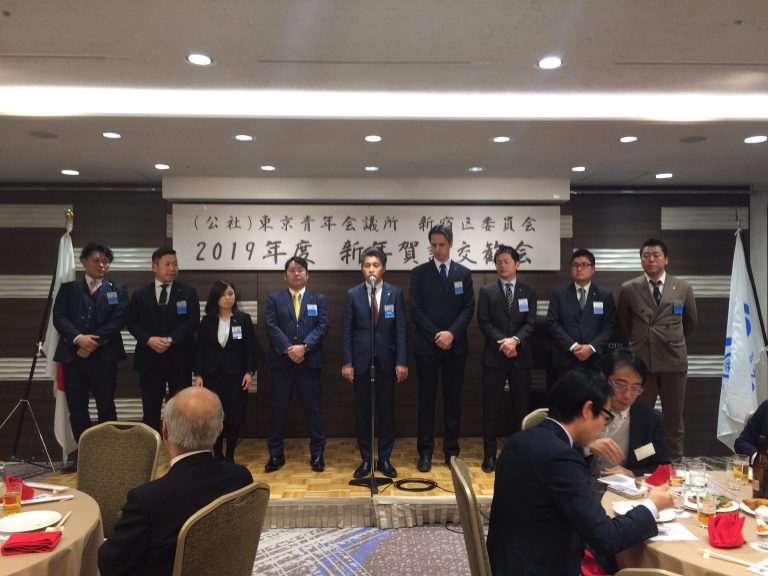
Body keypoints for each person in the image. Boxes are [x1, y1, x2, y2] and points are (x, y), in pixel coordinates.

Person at [486, 369, 673, 576]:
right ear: (587, 409)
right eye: (605, 417)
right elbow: (606, 537)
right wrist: (652, 505)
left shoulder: (518, 440)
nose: (604, 427)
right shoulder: (561, 458)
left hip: (507, 561)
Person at [98, 387, 253, 576]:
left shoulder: (147, 500)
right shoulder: (241, 478)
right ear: (220, 429)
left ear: (164, 430)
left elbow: (110, 564)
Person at [617, 238, 697, 461]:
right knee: (640, 417)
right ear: (641, 260)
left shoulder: (683, 287)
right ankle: (642, 464)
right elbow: (623, 324)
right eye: (646, 256)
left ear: (666, 259)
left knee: (674, 418)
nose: (651, 259)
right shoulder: (629, 288)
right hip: (642, 363)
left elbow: (690, 323)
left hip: (673, 361)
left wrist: (673, 340)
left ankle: (673, 463)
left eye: (656, 255)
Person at [52, 242, 128, 472]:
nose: (102, 265)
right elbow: (59, 317)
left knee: (106, 406)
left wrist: (92, 342)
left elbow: (119, 319)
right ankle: (84, 457)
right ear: (84, 262)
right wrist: (78, 339)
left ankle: (109, 456)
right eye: (97, 260)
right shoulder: (69, 289)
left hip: (104, 357)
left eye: (106, 261)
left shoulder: (118, 288)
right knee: (77, 409)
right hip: (73, 356)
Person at [409, 224, 475, 472]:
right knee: (426, 400)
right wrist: (436, 334)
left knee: (453, 400)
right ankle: (425, 452)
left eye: (442, 245)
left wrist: (451, 334)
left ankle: (451, 451)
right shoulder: (420, 273)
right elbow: (415, 309)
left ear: (451, 244)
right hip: (428, 346)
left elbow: (468, 308)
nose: (437, 249)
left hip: (455, 347)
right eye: (434, 245)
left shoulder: (463, 273)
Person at [341, 246, 408, 479]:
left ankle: (385, 458)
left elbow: (401, 330)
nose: (371, 269)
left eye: (376, 265)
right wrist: (347, 362)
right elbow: (346, 331)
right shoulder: (352, 295)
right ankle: (367, 459)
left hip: (387, 362)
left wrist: (401, 361)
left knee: (386, 411)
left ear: (384, 268)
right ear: (362, 269)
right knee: (363, 413)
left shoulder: (395, 294)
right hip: (361, 363)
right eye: (367, 265)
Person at [264, 256, 330, 473]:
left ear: (307, 274)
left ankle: (318, 453)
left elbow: (323, 326)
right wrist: (289, 349)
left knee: (314, 410)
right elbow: (271, 326)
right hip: (281, 364)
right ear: (285, 275)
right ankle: (275, 454)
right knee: (278, 409)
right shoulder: (274, 298)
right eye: (292, 270)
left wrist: (305, 347)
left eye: (300, 270)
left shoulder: (318, 299)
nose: (296, 273)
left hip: (309, 362)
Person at [476, 244, 536, 473]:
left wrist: (516, 341)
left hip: (521, 358)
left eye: (506, 261)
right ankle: (489, 455)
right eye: (498, 262)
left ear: (517, 264)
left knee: (522, 407)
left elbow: (531, 323)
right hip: (495, 357)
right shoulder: (487, 291)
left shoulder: (528, 292)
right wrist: (504, 343)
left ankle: (521, 454)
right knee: (491, 406)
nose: (502, 266)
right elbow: (483, 322)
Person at [127, 247, 200, 433]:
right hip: (149, 360)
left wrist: (172, 339)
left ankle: (180, 444)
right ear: (154, 267)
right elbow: (132, 323)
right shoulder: (140, 295)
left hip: (180, 360)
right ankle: (151, 445)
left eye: (175, 264)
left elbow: (193, 321)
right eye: (167, 264)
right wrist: (148, 339)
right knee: (150, 407)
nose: (172, 268)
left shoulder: (188, 292)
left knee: (181, 408)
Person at [194, 280, 256, 463]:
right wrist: (198, 374)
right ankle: (217, 454)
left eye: (231, 294)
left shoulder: (243, 319)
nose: (228, 298)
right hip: (212, 375)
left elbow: (250, 349)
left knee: (234, 415)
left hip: (236, 375)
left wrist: (249, 372)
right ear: (216, 298)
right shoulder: (207, 321)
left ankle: (230, 455)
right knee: (215, 415)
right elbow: (200, 349)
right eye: (223, 295)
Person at [587, 348, 670, 478]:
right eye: (620, 385)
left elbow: (663, 466)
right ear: (603, 377)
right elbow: (559, 445)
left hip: (624, 487)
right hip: (579, 484)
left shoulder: (651, 419)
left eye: (635, 388)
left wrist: (632, 473)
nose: (627, 395)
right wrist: (587, 446)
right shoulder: (585, 407)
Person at [547, 248, 616, 377]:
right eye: (575, 265)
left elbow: (610, 326)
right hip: (566, 359)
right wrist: (573, 346)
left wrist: (591, 348)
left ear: (593, 268)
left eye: (584, 265)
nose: (579, 269)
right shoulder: (559, 294)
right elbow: (552, 323)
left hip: (595, 360)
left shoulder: (604, 295)